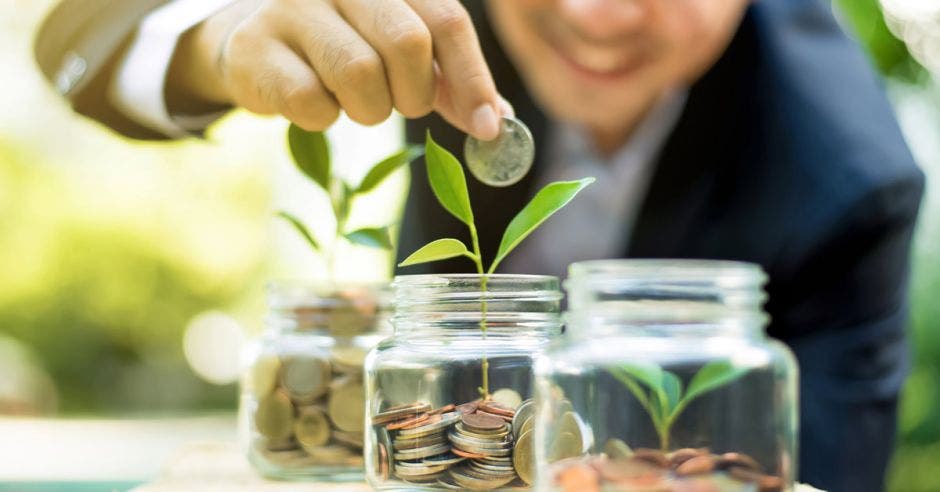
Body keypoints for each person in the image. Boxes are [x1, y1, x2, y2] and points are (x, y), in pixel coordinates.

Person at [34, 1, 924, 491]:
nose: (599, 15)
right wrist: (220, 39)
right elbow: (79, 37)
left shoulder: (849, 177)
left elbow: (823, 468)